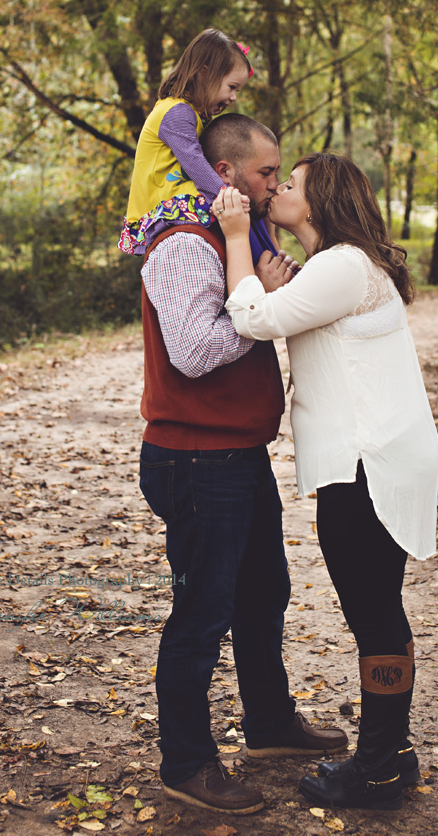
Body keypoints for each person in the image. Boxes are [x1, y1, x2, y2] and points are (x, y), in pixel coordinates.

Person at [212, 152, 438, 813]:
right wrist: (268, 283)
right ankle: (391, 753)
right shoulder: (341, 265)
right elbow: (280, 312)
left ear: (319, 201)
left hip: (366, 463)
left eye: (291, 182)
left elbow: (252, 320)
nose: (278, 187)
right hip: (374, 458)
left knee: (374, 615)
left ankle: (377, 769)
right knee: (380, 610)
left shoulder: (341, 265)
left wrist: (235, 237)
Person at [139, 117, 348, 815]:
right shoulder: (184, 243)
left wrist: (258, 287)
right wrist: (255, 298)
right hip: (196, 457)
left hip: (236, 451)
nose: (273, 184)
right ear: (225, 173)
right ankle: (187, 763)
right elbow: (195, 353)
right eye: (266, 173)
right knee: (203, 613)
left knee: (265, 592)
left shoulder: (238, 237)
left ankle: (269, 723)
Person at [119, 28, 274, 263]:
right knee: (237, 206)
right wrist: (225, 196)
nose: (233, 97)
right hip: (165, 202)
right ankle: (257, 262)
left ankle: (268, 256)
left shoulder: (194, 114)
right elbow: (195, 163)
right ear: (204, 74)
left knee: (247, 204)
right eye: (231, 87)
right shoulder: (176, 112)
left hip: (182, 194)